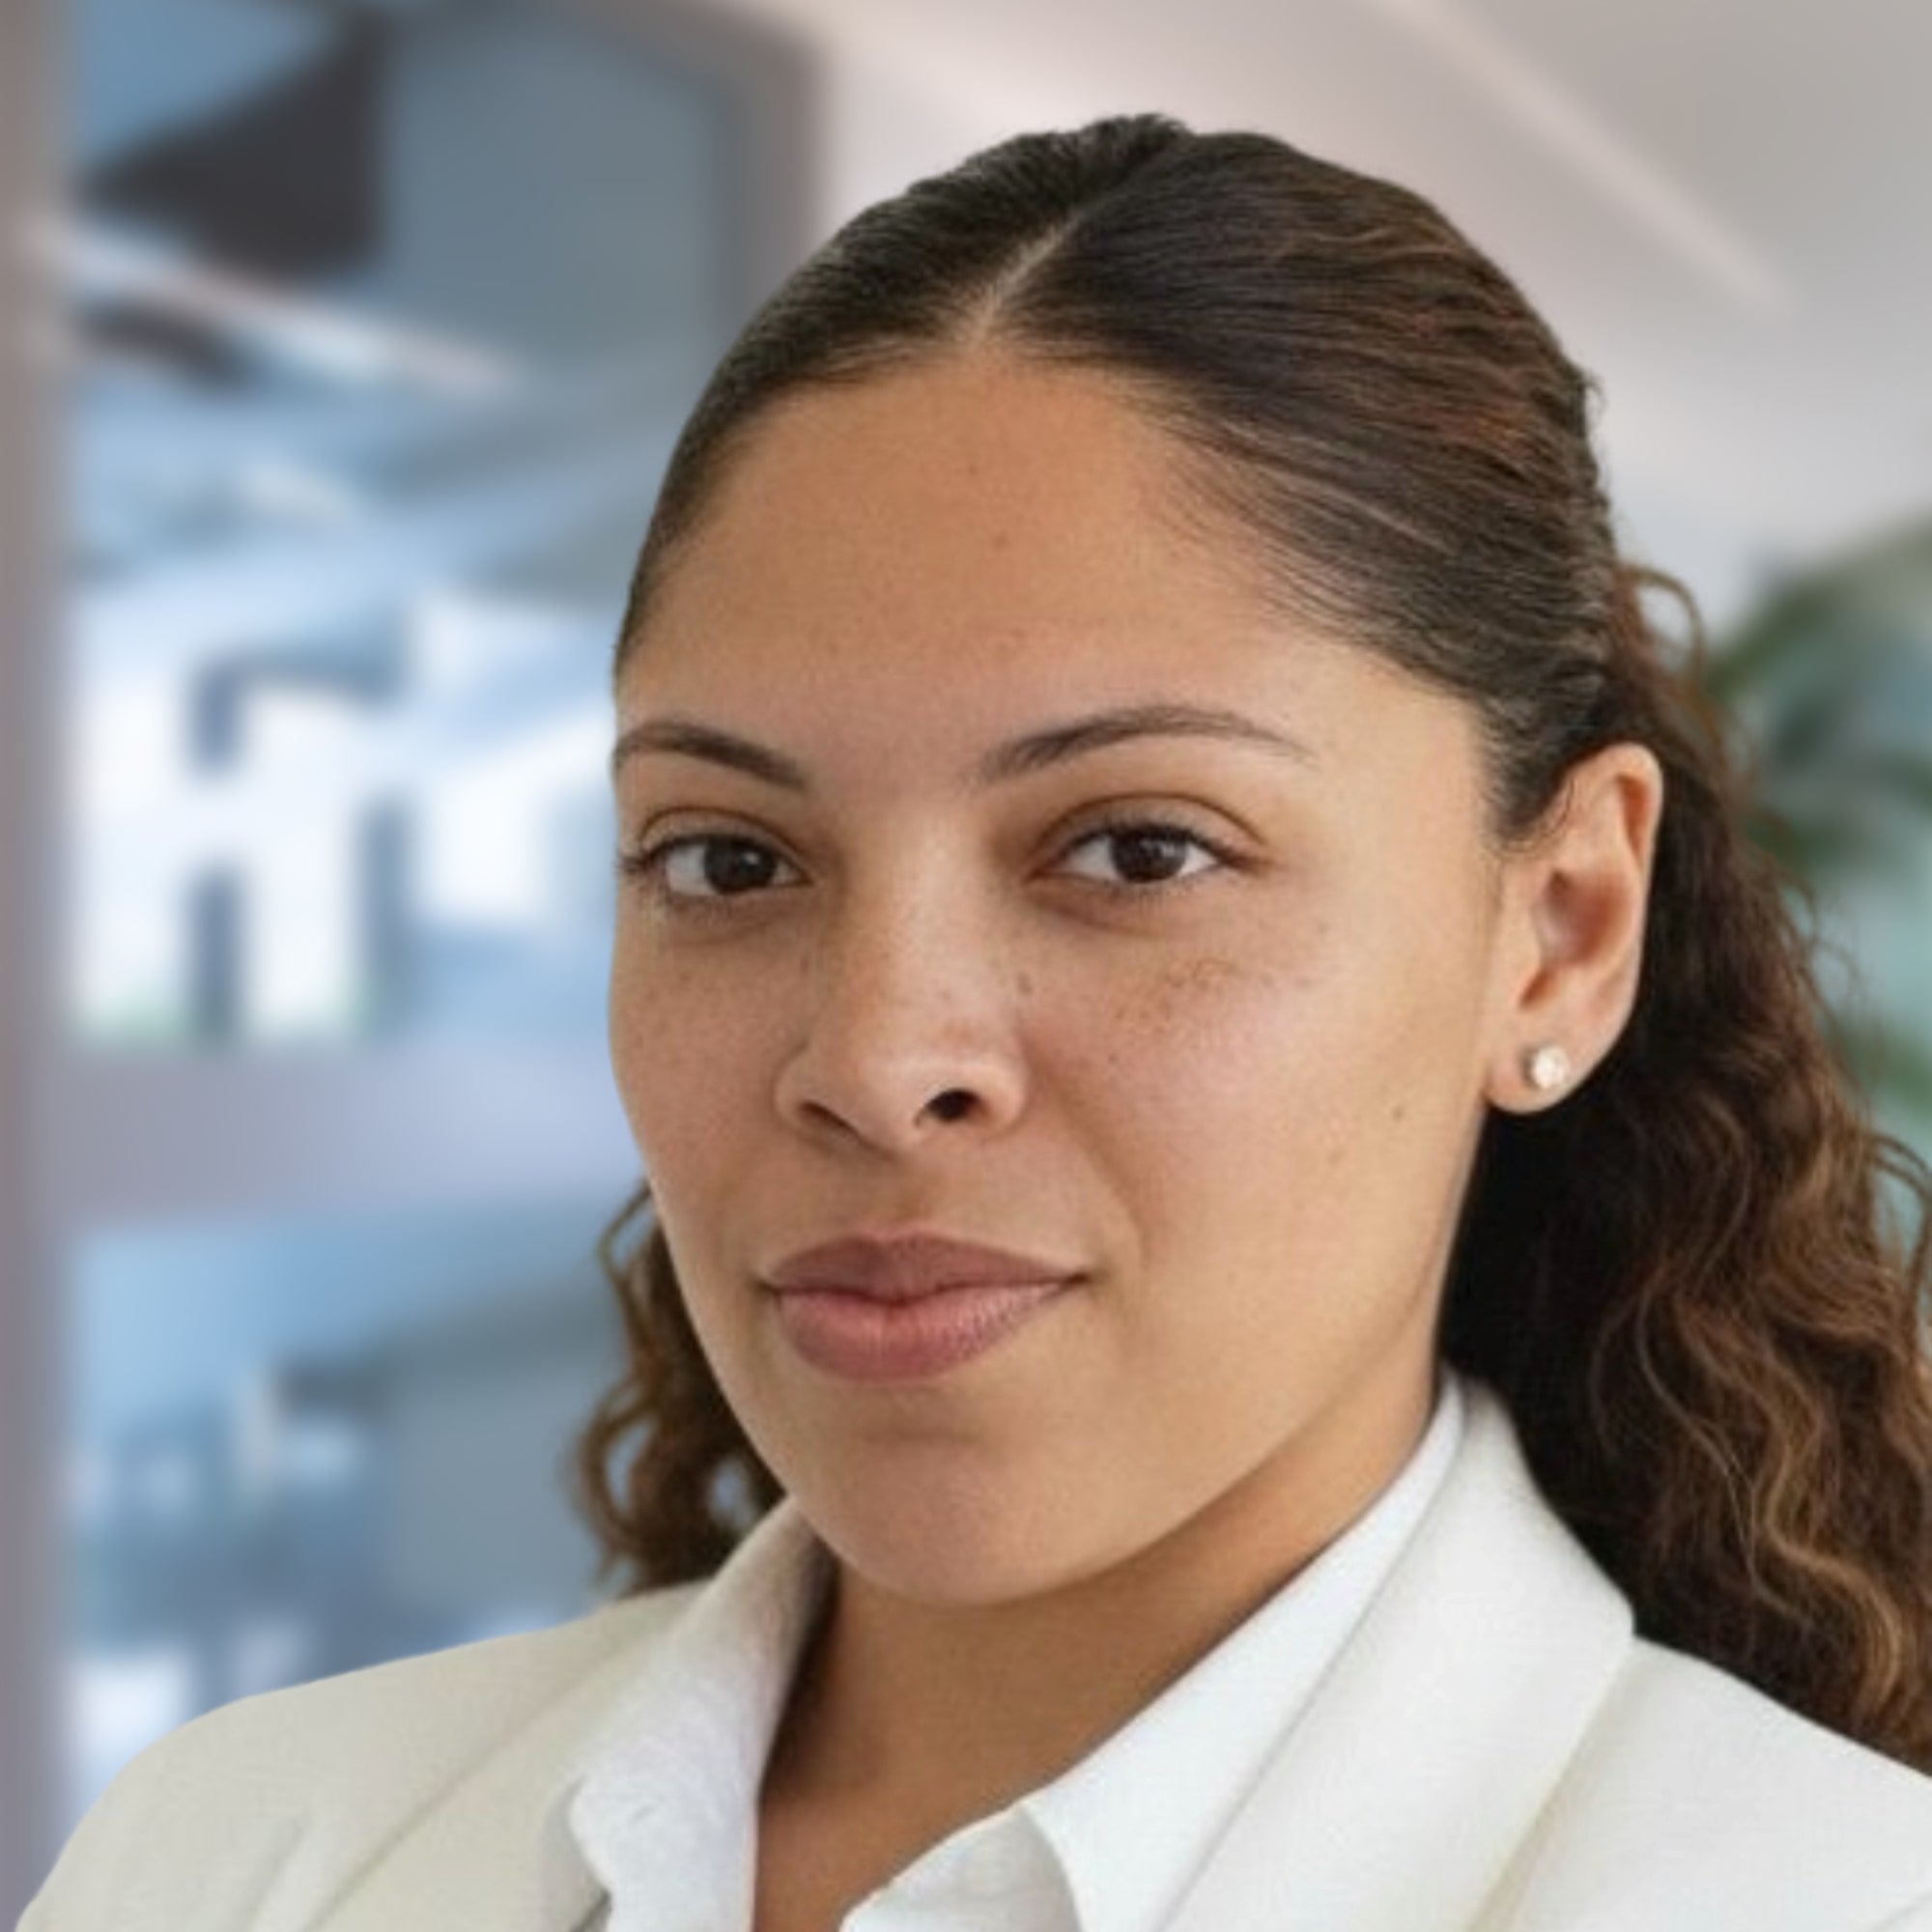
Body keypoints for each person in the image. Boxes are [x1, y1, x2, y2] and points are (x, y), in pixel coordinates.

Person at [22, 113, 1932, 1932]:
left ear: (1560, 932)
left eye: (1135, 847)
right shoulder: (235, 1854)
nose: (870, 1055)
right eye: (729, 862)